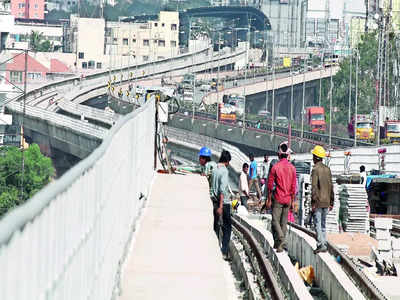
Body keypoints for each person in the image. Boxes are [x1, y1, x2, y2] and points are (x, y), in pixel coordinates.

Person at [266, 142, 297, 252]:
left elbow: (270, 186)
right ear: (287, 155)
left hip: (278, 197)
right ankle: (279, 246)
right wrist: (293, 201)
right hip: (288, 199)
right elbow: (294, 187)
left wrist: (269, 199)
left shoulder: (275, 167)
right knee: (283, 223)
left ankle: (281, 239)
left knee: (275, 221)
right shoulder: (292, 168)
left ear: (279, 155)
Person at [310, 145, 334, 254]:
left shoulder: (315, 169)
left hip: (319, 201)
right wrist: (332, 201)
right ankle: (324, 243)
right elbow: (331, 186)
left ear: (315, 157)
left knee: (317, 223)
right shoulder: (327, 169)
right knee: (323, 224)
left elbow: (314, 187)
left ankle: (320, 244)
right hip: (327, 201)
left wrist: (313, 202)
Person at [211, 150, 232, 260]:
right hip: (223, 203)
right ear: (227, 161)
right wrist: (220, 206)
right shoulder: (224, 171)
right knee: (227, 228)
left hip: (214, 200)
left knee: (216, 226)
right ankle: (223, 252)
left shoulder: (214, 168)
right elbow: (222, 190)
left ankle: (213, 249)